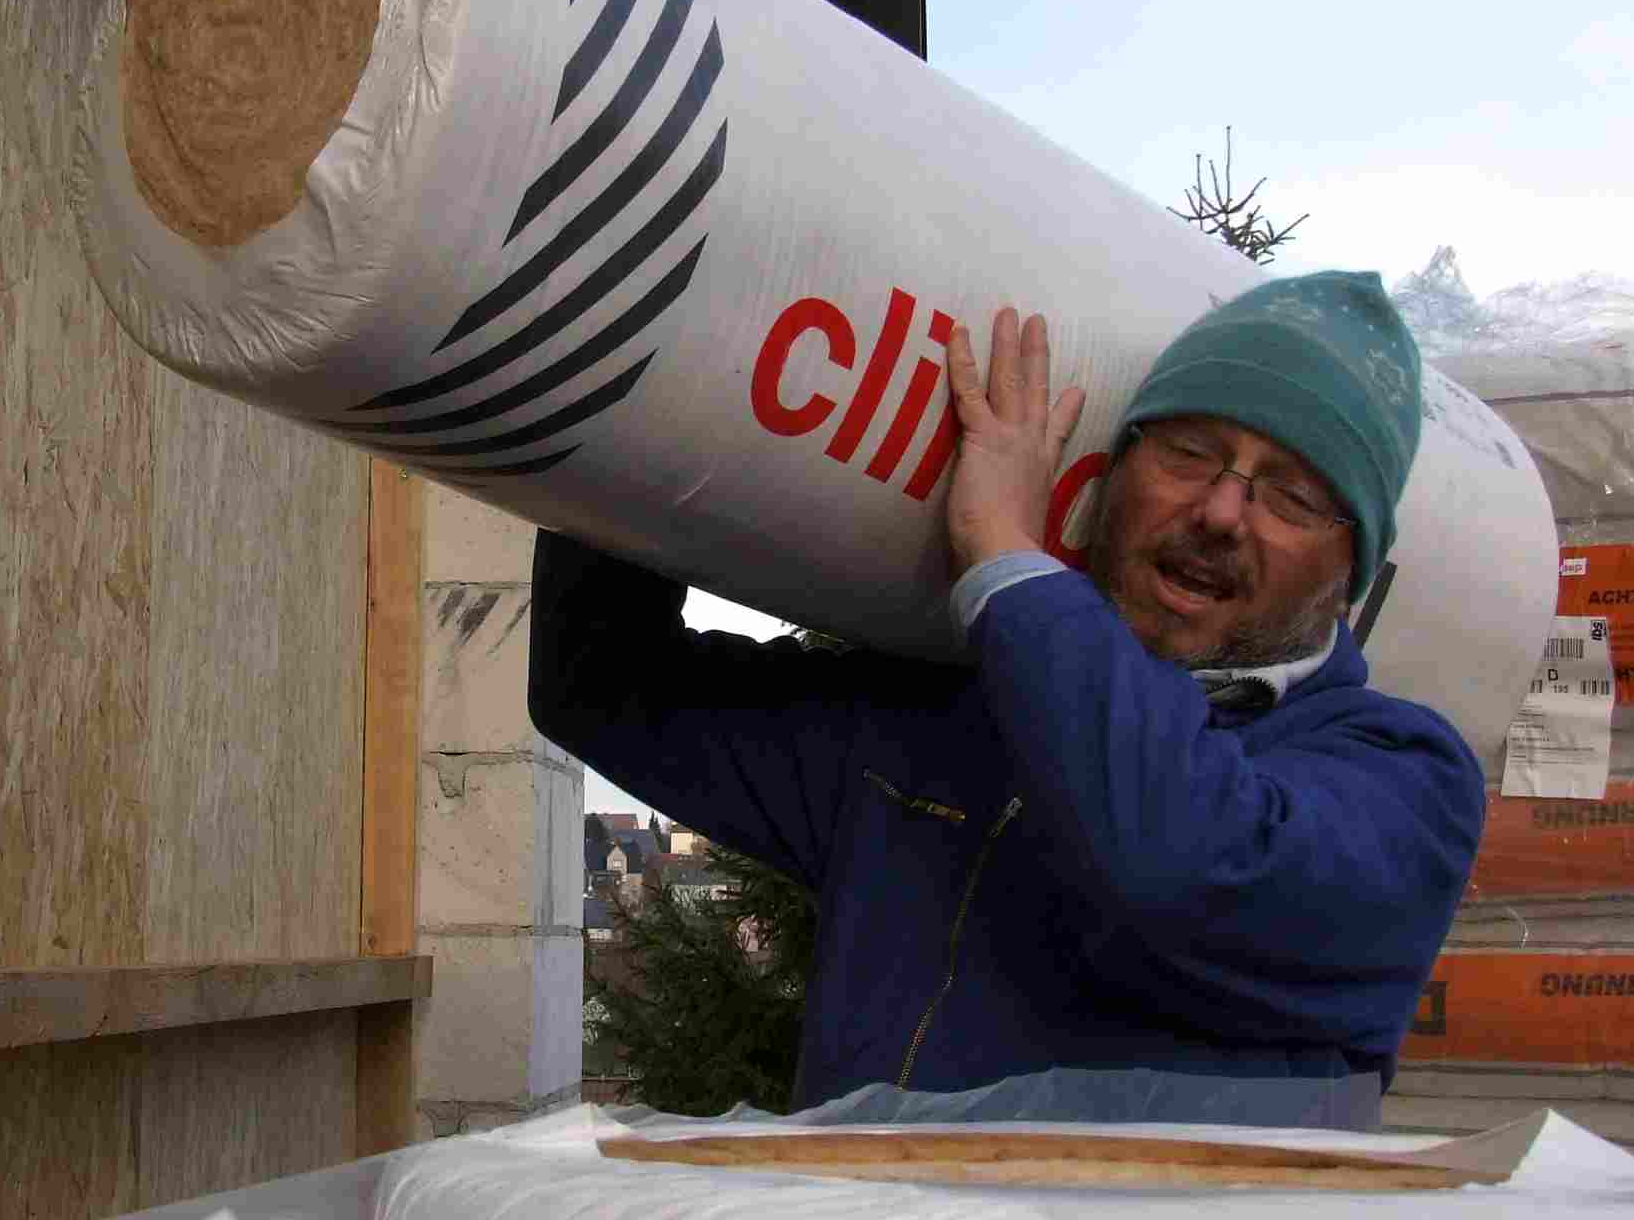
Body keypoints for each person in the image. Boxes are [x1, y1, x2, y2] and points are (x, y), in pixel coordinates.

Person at [530, 270, 1487, 1125]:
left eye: (1293, 499)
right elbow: (604, 687)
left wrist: (1006, 560)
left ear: (1351, 572)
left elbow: (1182, 859)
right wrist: (640, 387)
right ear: (1114, 476)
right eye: (1191, 452)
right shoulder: (941, 724)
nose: (1222, 512)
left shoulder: (1403, 782)